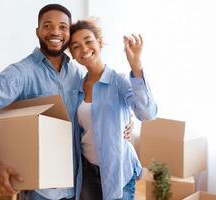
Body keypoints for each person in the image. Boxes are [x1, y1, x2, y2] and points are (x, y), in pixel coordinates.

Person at [0, 4, 132, 200]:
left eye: (62, 27)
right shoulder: (22, 73)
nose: (55, 32)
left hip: (76, 187)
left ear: (69, 35)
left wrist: (125, 120)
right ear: (38, 31)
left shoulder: (77, 74)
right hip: (41, 193)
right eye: (47, 26)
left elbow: (96, 108)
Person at [68, 19, 157, 200]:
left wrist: (136, 65)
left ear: (99, 42)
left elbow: (147, 114)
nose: (84, 49)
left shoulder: (119, 81)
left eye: (88, 41)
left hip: (118, 172)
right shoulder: (76, 87)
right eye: (76, 46)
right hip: (87, 170)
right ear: (73, 54)